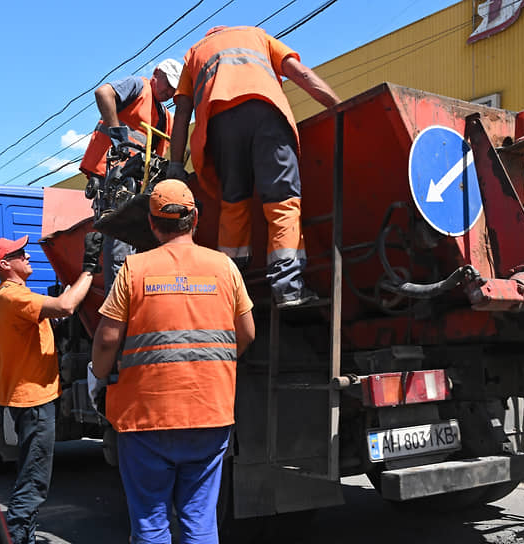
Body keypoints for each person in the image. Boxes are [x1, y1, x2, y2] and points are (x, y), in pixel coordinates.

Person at [90, 180, 255, 544]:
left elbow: (106, 339)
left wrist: (97, 377)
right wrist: (218, 363)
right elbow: (246, 333)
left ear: (152, 224)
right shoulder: (225, 267)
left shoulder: (134, 269)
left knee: (151, 523)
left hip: (145, 419)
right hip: (210, 414)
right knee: (199, 521)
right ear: (195, 218)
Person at [166, 25, 340, 308]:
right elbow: (301, 73)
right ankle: (288, 289)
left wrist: (175, 165)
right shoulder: (257, 36)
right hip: (266, 114)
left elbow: (183, 112)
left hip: (219, 126)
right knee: (283, 200)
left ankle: (230, 295)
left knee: (233, 204)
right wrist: (338, 107)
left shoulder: (194, 53)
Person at [0, 232, 102, 544]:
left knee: (32, 474)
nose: (28, 256)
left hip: (30, 400)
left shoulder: (12, 296)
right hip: (33, 401)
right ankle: (18, 537)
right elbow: (65, 306)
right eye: (20, 253)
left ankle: (25, 535)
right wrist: (88, 268)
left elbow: (45, 321)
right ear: (5, 264)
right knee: (34, 480)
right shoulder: (13, 297)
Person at [80, 58, 183, 291]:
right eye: (167, 85)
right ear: (156, 73)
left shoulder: (167, 117)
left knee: (139, 245)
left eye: (173, 90)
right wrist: (118, 136)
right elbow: (103, 93)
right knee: (120, 243)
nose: (168, 92)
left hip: (140, 185)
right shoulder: (138, 86)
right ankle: (118, 305)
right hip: (114, 178)